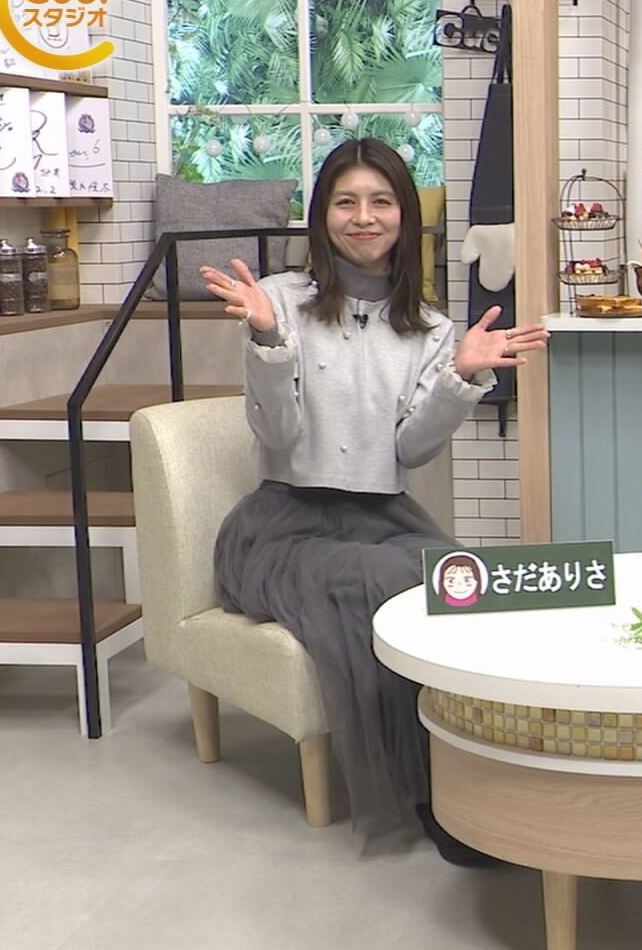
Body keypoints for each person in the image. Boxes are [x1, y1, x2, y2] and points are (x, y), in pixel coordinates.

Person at [200, 138, 547, 864]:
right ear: (322, 215)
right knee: (394, 581)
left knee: (463, 582)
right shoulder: (279, 300)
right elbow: (277, 433)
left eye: (381, 201)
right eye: (346, 202)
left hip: (380, 518)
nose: (364, 217)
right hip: (285, 525)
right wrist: (268, 342)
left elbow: (411, 452)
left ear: (404, 215)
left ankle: (493, 779)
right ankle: (436, 802)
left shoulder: (430, 326)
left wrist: (458, 379)